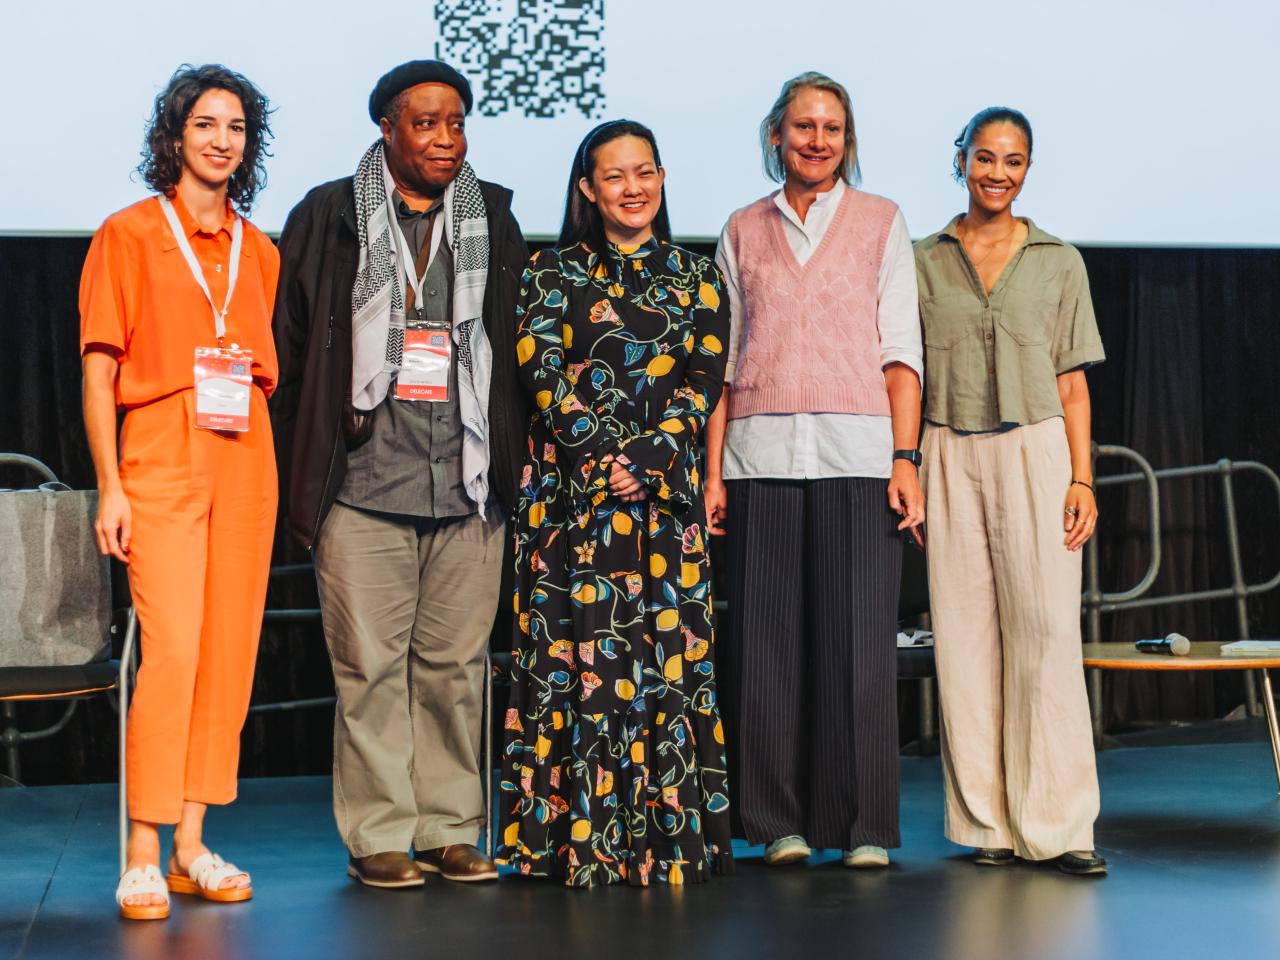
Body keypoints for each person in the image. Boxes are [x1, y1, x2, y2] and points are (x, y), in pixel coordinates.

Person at [270, 60, 528, 889]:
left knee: (455, 670)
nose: (447, 139)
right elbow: (294, 347)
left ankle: (453, 827)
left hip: (467, 481)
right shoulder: (328, 215)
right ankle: (381, 832)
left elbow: (514, 352)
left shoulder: (492, 218)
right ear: (388, 128)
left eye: (457, 123)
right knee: (369, 670)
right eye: (428, 124)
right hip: (363, 483)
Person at [496, 120, 734, 887]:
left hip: (663, 512)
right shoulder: (548, 273)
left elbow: (703, 384)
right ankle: (568, 843)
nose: (633, 188)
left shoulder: (698, 277)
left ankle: (666, 841)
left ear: (661, 178)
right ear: (587, 189)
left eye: (645, 172)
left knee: (665, 667)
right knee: (574, 664)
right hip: (574, 508)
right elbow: (541, 372)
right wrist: (604, 459)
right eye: (615, 176)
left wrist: (651, 459)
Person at [703, 71, 924, 869]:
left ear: (848, 140)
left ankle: (863, 825)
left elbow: (903, 353)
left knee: (859, 648)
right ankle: (775, 822)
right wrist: (713, 474)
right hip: (758, 457)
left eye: (832, 128)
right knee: (764, 648)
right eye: (803, 126)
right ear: (776, 135)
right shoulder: (739, 229)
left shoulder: (880, 222)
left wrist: (906, 458)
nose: (818, 140)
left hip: (859, 456)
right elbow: (721, 368)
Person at [80, 64, 278, 920]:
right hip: (159, 442)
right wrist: (108, 487)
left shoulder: (259, 249)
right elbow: (99, 371)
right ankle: (141, 848)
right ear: (175, 135)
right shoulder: (126, 234)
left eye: (235, 127)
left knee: (229, 657)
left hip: (245, 451)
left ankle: (193, 841)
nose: (220, 140)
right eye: (205, 123)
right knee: (173, 654)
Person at [914, 106, 1107, 876]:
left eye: (1014, 161)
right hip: (948, 449)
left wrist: (1083, 476)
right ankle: (988, 825)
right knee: (963, 640)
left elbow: (1074, 384)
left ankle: (1060, 825)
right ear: (959, 159)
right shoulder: (922, 259)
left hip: (1037, 451)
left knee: (1049, 636)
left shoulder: (1059, 260)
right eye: (985, 157)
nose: (998, 172)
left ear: (1028, 170)